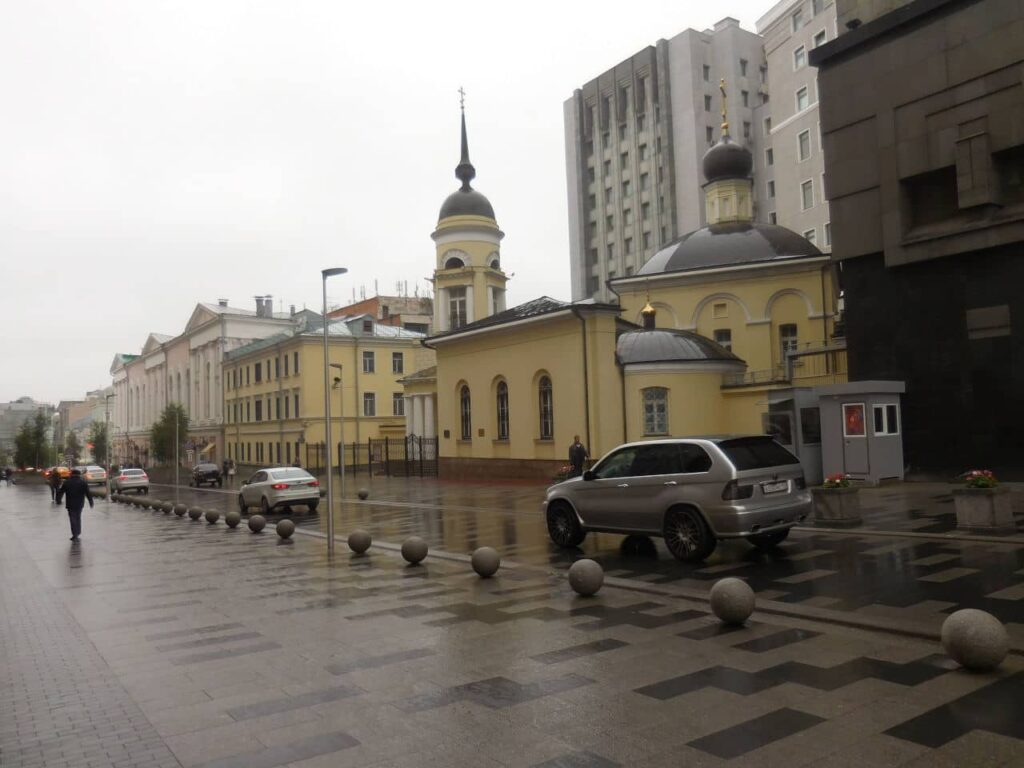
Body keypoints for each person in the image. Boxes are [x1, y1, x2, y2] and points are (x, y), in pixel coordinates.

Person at [56, 468, 93, 542]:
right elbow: (88, 493)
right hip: (79, 504)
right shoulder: (83, 483)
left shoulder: (67, 482)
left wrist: (58, 499)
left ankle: (75, 534)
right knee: (78, 517)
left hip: (70, 504)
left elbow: (61, 492)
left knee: (72, 519)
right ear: (79, 475)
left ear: (72, 474)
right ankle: (78, 532)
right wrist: (90, 501)